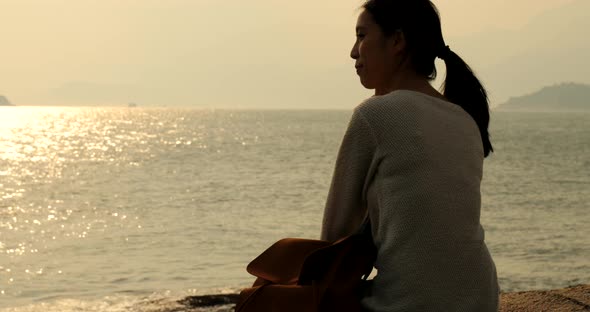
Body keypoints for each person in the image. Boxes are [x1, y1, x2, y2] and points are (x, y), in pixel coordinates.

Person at [320, 0, 500, 311]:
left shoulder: (375, 114)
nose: (353, 51)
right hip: (481, 297)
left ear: (397, 41)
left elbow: (333, 239)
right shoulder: (464, 119)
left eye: (362, 36)